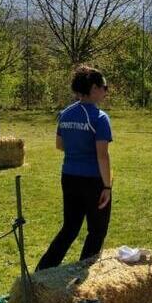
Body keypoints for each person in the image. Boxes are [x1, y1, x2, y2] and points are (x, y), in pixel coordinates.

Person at [36, 66, 113, 271]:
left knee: (69, 228)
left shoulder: (65, 113)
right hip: (93, 181)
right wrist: (107, 187)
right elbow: (102, 156)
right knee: (96, 231)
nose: (106, 91)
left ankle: (42, 272)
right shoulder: (100, 117)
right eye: (105, 87)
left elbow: (60, 145)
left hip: (69, 176)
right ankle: (83, 275)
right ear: (94, 88)